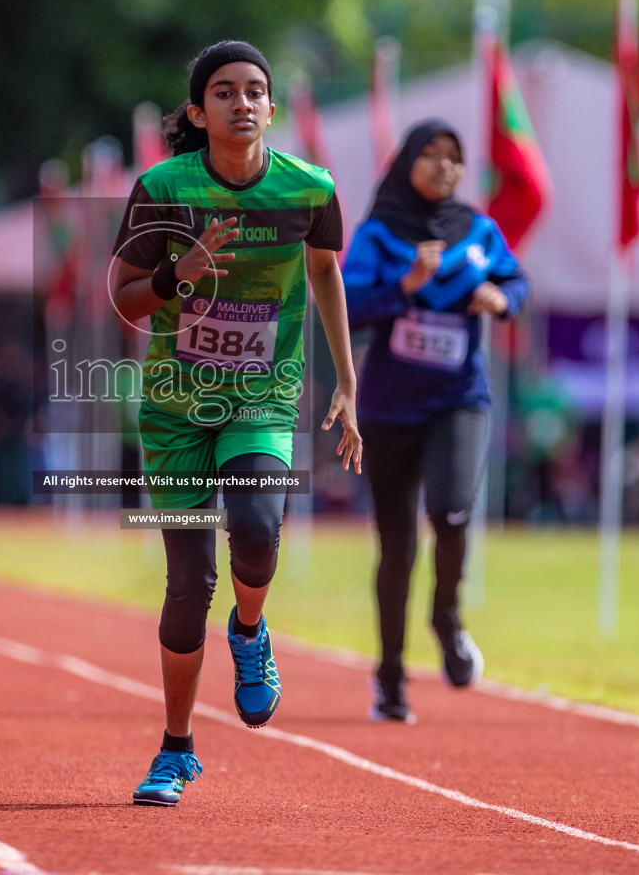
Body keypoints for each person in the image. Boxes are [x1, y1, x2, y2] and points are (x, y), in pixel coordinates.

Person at [110, 41, 362, 805]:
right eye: (224, 92)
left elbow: (324, 271)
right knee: (189, 582)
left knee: (256, 526)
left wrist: (348, 383)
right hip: (176, 406)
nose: (241, 102)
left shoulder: (309, 187)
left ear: (272, 109)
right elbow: (124, 298)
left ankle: (249, 633)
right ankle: (176, 747)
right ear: (197, 111)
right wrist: (174, 276)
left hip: (263, 395)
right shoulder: (163, 187)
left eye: (255, 91)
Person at [342, 119, 529, 722]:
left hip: (458, 397)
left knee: (452, 512)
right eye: (432, 155)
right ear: (406, 163)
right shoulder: (378, 234)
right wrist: (407, 284)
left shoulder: (478, 230)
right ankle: (390, 675)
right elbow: (347, 305)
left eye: (455, 157)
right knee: (396, 548)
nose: (445, 166)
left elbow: (515, 278)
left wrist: (504, 299)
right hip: (388, 406)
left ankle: (446, 619)